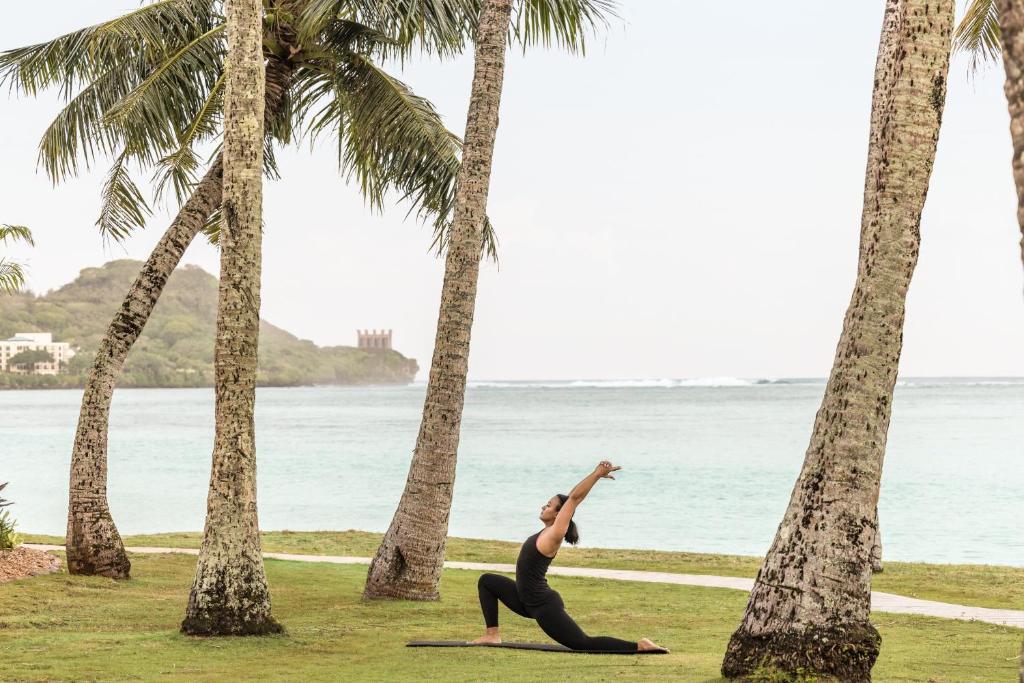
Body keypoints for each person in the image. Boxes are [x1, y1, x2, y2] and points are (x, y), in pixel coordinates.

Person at [472, 460, 667, 653]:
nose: (543, 507)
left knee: (582, 643)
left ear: (559, 515)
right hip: (524, 600)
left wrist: (596, 475)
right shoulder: (545, 532)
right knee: (487, 581)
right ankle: (492, 634)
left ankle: (639, 645)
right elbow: (570, 498)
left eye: (549, 505)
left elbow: (574, 499)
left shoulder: (554, 534)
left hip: (542, 605)